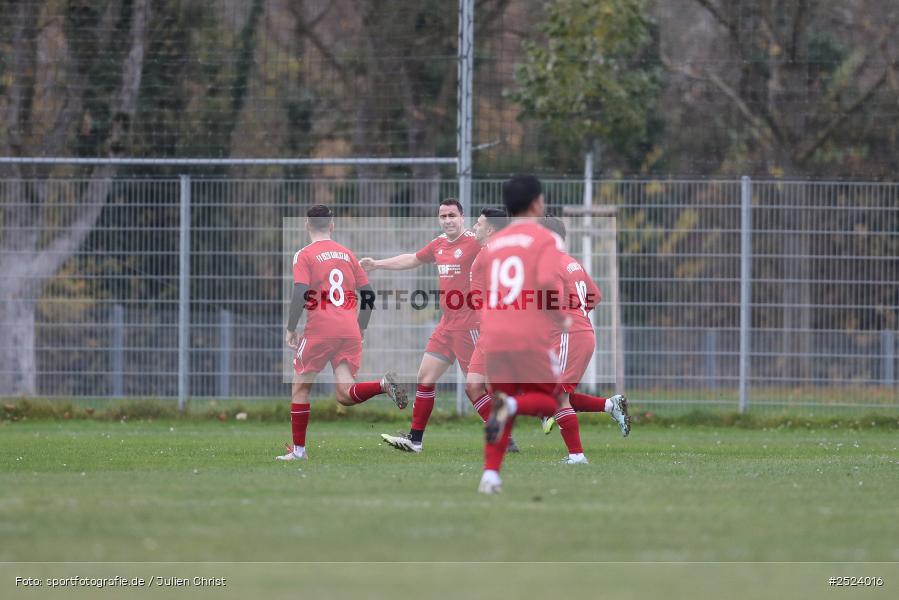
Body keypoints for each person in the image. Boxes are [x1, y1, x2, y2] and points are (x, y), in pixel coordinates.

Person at [277, 205, 408, 461]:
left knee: (300, 388)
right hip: (348, 329)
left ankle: (299, 451)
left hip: (320, 330)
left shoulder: (304, 255)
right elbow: (368, 294)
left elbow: (300, 292)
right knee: (345, 394)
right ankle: (383, 385)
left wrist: (292, 327)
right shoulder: (347, 254)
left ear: (306, 225)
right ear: (332, 226)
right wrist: (360, 328)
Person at [360, 199, 485, 453]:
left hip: (469, 325)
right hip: (446, 325)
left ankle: (520, 422)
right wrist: (377, 264)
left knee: (479, 388)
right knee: (425, 378)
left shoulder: (476, 241)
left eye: (452, 215)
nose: (448, 220)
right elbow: (412, 259)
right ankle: (415, 441)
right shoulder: (439, 244)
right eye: (443, 216)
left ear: (462, 217)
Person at [476, 176, 569, 494]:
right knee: (551, 397)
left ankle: (490, 475)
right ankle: (512, 406)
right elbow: (545, 283)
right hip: (527, 333)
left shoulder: (495, 244)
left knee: (502, 397)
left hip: (494, 333)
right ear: (536, 203)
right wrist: (561, 317)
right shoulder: (545, 238)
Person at [539, 216, 630, 464]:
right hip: (579, 333)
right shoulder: (569, 262)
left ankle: (577, 456)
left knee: (556, 395)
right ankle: (610, 406)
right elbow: (594, 296)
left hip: (569, 335)